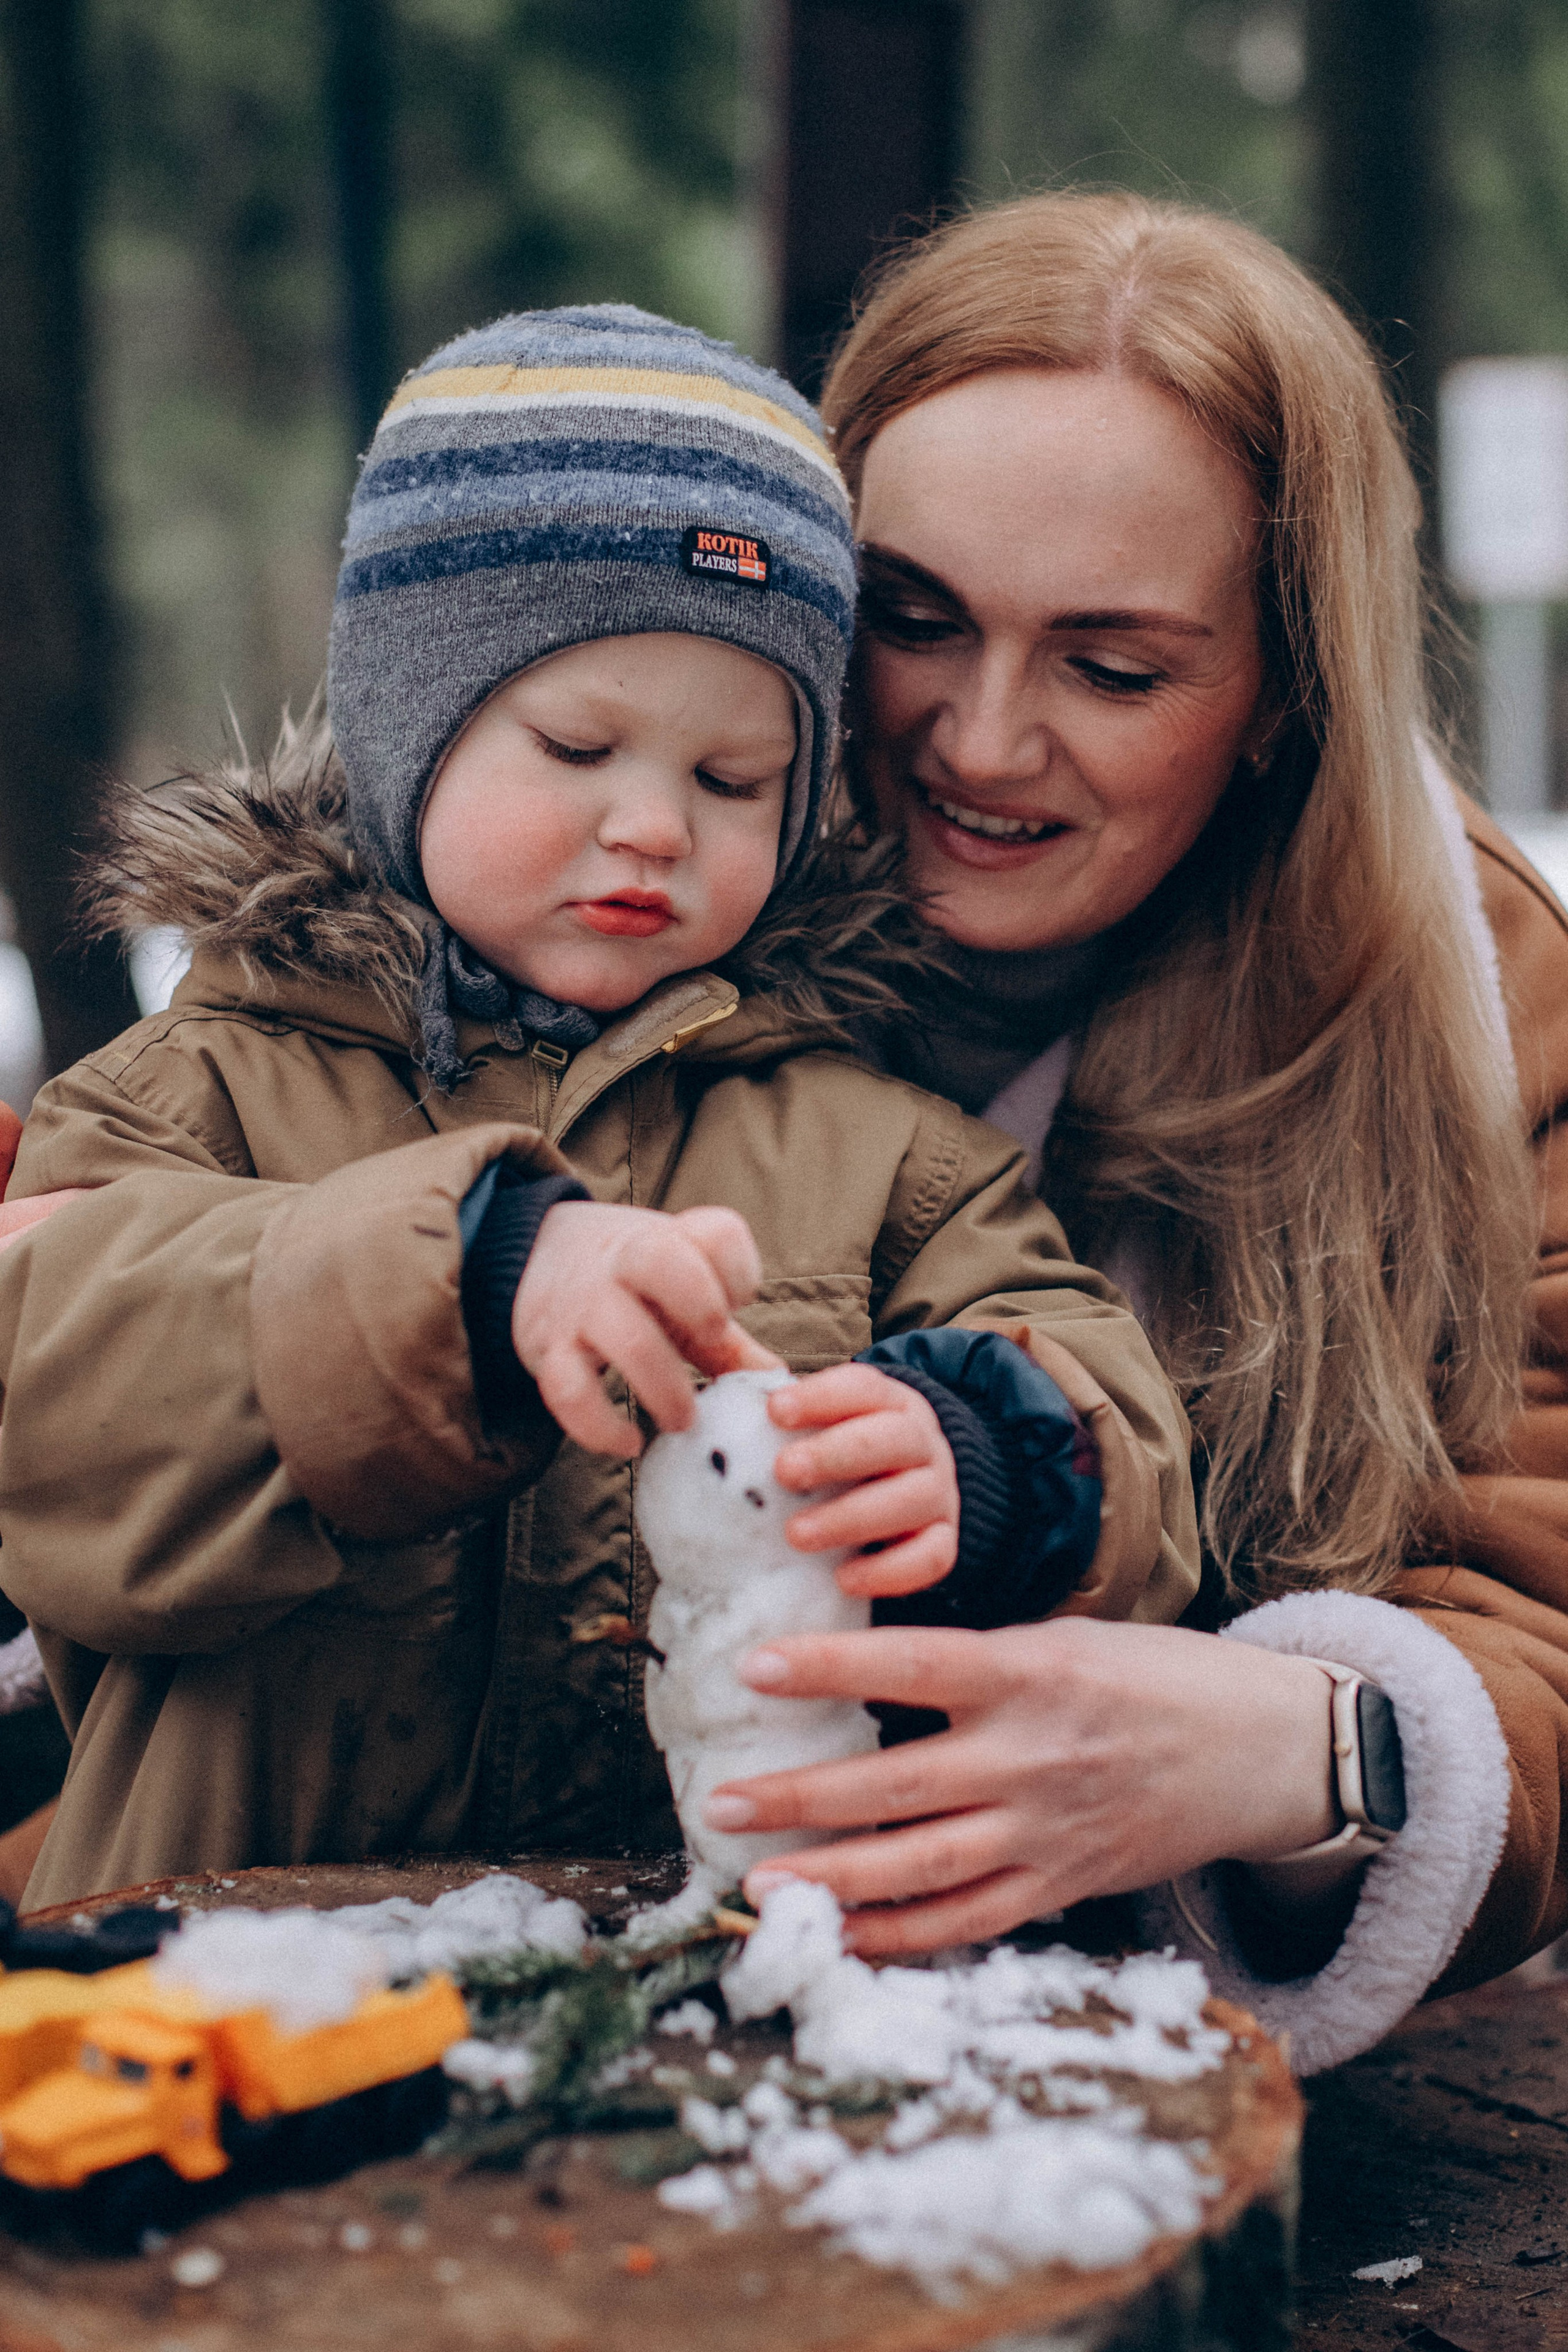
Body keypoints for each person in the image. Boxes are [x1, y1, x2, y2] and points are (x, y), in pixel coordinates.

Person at [0, 304, 1198, 1910]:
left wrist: (988, 1460)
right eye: (577, 746)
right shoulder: (191, 1092)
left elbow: (1116, 1421)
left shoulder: (879, 1145)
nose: (653, 826)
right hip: (229, 1981)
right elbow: (50, 1412)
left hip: (703, 1990)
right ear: (407, 734)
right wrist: (466, 1279)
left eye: (733, 781)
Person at [698, 193, 1568, 2076]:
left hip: (1126, 2091)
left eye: (1113, 668)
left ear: (1283, 696)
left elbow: (1547, 1619)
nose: (983, 743)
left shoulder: (1484, 1000)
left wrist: (1296, 1746)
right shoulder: (592, 865)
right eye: (913, 621)